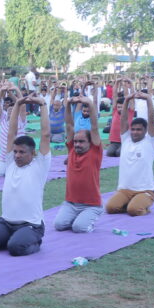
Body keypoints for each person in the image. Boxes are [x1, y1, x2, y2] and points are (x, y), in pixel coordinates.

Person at [0, 95, 51, 256]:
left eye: (22, 152)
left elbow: (45, 134)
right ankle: (13, 237)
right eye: (15, 151)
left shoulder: (40, 164)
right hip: (6, 222)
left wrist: (43, 105)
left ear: (33, 153)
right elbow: (12, 132)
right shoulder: (10, 162)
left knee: (16, 249)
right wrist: (17, 104)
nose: (17, 155)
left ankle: (33, 239)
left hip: (30, 224)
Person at [53, 93, 103, 233]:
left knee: (78, 228)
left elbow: (94, 126)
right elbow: (69, 125)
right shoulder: (72, 151)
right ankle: (78, 217)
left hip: (91, 205)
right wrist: (68, 104)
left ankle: (90, 217)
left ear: (90, 143)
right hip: (71, 203)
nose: (77, 144)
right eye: (75, 141)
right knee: (59, 225)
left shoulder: (95, 152)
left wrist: (90, 103)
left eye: (81, 142)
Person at [106, 91, 154, 216]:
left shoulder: (150, 141)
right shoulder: (126, 140)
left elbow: (151, 119)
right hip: (125, 190)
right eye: (133, 129)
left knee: (134, 211)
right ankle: (131, 202)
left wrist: (148, 99)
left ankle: (140, 204)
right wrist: (127, 100)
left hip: (144, 190)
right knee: (110, 208)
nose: (135, 132)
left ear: (145, 130)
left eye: (139, 129)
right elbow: (123, 119)